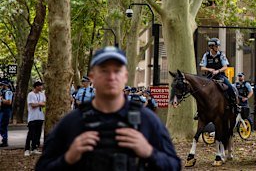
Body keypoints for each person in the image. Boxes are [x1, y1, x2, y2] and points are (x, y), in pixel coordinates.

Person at [36, 46, 181, 170]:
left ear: (125, 76)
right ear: (92, 76)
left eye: (117, 71)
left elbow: (174, 165)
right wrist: (68, 158)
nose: (111, 77)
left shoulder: (147, 120)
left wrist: (149, 152)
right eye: (104, 70)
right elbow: (42, 167)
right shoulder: (72, 122)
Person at [199, 38, 238, 113]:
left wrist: (218, 71)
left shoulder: (221, 54)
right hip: (209, 76)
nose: (218, 48)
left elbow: (225, 67)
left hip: (220, 76)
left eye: (218, 46)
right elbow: (202, 68)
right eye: (216, 46)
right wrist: (210, 70)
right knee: (200, 89)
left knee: (229, 86)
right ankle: (200, 109)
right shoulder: (206, 55)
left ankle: (234, 104)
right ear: (211, 47)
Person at [25, 80, 46, 156]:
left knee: (38, 134)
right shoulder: (30, 94)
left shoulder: (42, 94)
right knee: (31, 133)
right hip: (32, 117)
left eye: (41, 85)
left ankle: (34, 148)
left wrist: (39, 104)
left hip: (40, 117)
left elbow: (44, 103)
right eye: (40, 86)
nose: (41, 87)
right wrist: (40, 103)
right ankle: (27, 149)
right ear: (36, 87)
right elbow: (32, 105)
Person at [0, 78, 14, 147]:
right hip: (2, 110)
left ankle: (5, 141)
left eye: (2, 84)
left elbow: (9, 102)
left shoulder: (8, 92)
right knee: (1, 125)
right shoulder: (2, 92)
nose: (1, 86)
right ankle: (4, 139)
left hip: (6, 110)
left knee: (2, 125)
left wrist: (2, 99)